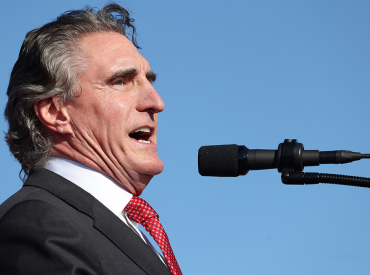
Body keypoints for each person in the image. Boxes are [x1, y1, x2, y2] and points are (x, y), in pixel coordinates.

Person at [0, 4, 182, 275]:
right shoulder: (38, 222)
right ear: (55, 112)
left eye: (150, 81)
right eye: (120, 81)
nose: (156, 102)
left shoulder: (127, 227)